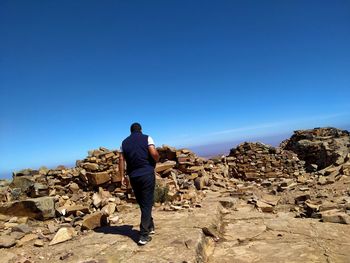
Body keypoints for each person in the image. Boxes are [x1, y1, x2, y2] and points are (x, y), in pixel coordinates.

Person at [119, 122, 159, 245]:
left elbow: (121, 159)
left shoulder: (124, 143)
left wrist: (122, 176)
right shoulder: (147, 138)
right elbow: (153, 153)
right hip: (147, 174)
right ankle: (143, 235)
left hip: (133, 177)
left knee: (143, 202)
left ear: (131, 131)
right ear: (140, 130)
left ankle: (150, 226)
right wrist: (156, 160)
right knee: (147, 202)